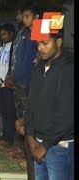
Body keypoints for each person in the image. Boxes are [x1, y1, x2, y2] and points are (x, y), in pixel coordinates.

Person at [25, 29, 73, 180]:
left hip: (59, 146)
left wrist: (44, 146)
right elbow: (32, 103)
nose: (40, 48)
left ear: (58, 42)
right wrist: (31, 135)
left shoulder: (68, 69)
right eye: (38, 44)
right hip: (38, 143)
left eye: (45, 43)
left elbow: (67, 114)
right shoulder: (40, 67)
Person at [6, 6, 40, 180]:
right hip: (18, 83)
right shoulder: (21, 33)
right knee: (20, 119)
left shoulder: (39, 33)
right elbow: (14, 57)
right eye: (22, 15)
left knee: (29, 119)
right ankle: (24, 149)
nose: (23, 18)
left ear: (36, 16)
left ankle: (32, 150)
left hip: (30, 84)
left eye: (27, 16)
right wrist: (10, 74)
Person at [0, 23, 15, 146]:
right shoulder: (0, 49)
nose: (2, 36)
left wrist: (6, 80)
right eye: (1, 35)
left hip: (8, 86)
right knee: (3, 111)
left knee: (10, 112)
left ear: (11, 34)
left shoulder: (13, 48)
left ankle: (9, 138)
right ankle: (5, 136)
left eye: (4, 34)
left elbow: (12, 67)